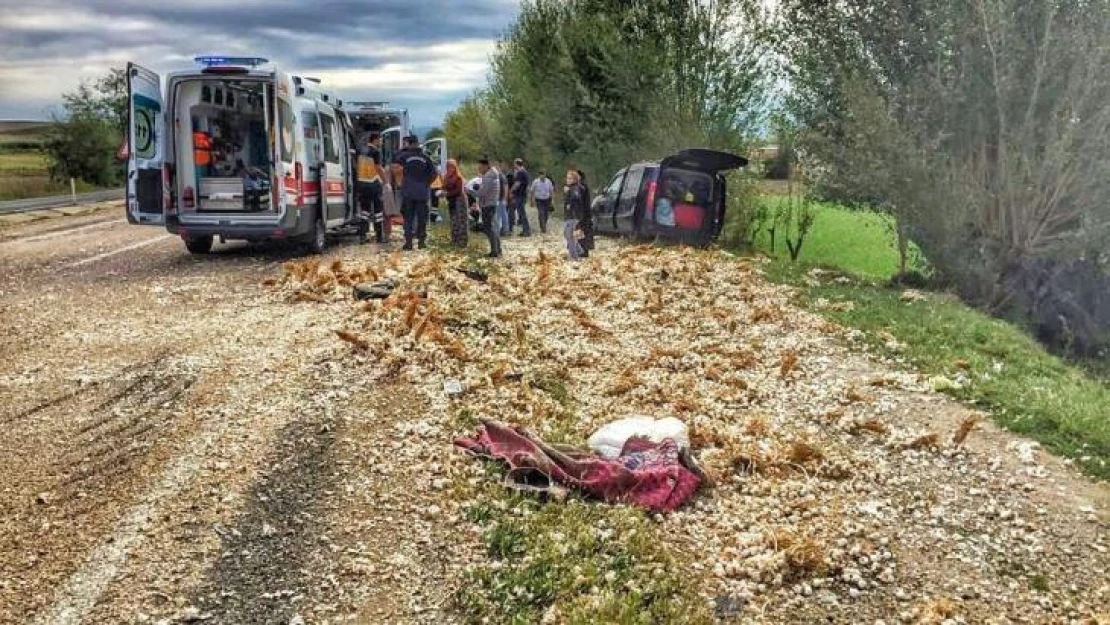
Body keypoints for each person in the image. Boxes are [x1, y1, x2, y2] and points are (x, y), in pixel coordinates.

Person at [392, 134, 438, 250]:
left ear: (409, 143)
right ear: (417, 143)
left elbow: (395, 169)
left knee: (408, 218)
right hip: (422, 192)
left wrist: (400, 183)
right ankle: (421, 242)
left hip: (408, 192)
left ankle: (408, 243)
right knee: (422, 218)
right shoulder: (426, 158)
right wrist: (426, 183)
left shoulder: (402, 157)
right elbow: (434, 174)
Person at [355, 132, 386, 244]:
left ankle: (362, 236)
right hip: (373, 183)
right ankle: (379, 237)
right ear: (375, 140)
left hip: (362, 184)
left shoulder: (360, 150)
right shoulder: (375, 152)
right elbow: (378, 168)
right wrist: (386, 182)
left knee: (364, 212)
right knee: (378, 212)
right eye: (380, 140)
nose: (381, 142)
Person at [476, 157, 503, 258]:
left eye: (480, 166)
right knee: (492, 227)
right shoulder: (493, 175)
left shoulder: (488, 177)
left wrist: (470, 191)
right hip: (492, 203)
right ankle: (498, 249)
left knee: (488, 228)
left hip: (488, 204)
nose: (479, 168)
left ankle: (494, 251)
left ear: (485, 166)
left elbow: (482, 193)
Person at [563, 170, 591, 260]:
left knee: (570, 235)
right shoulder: (573, 187)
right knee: (568, 234)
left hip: (573, 215)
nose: (568, 180)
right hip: (571, 215)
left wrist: (568, 192)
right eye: (567, 178)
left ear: (574, 179)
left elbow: (575, 197)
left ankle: (574, 256)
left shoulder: (575, 188)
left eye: (570, 178)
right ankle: (579, 250)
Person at [441, 159, 468, 248]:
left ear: (455, 167)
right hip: (451, 201)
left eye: (451, 166)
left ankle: (462, 241)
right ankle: (455, 240)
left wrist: (447, 193)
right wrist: (442, 192)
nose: (449, 168)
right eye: (448, 166)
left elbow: (459, 191)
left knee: (461, 221)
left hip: (460, 201)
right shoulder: (446, 177)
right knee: (453, 220)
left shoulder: (458, 178)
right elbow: (444, 187)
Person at [509, 158, 532, 236]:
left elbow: (517, 184)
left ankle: (526, 231)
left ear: (516, 164)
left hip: (520, 195)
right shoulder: (525, 172)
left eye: (514, 164)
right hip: (523, 195)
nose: (513, 165)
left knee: (521, 214)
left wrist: (511, 191)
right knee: (521, 213)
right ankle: (526, 230)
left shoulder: (520, 172)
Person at [495, 161, 511, 236]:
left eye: (495, 167)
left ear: (498, 167)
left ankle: (499, 231)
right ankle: (505, 230)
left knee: (499, 216)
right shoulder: (500, 176)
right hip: (500, 199)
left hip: (500, 199)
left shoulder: (501, 176)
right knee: (503, 215)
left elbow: (506, 187)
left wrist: (504, 199)